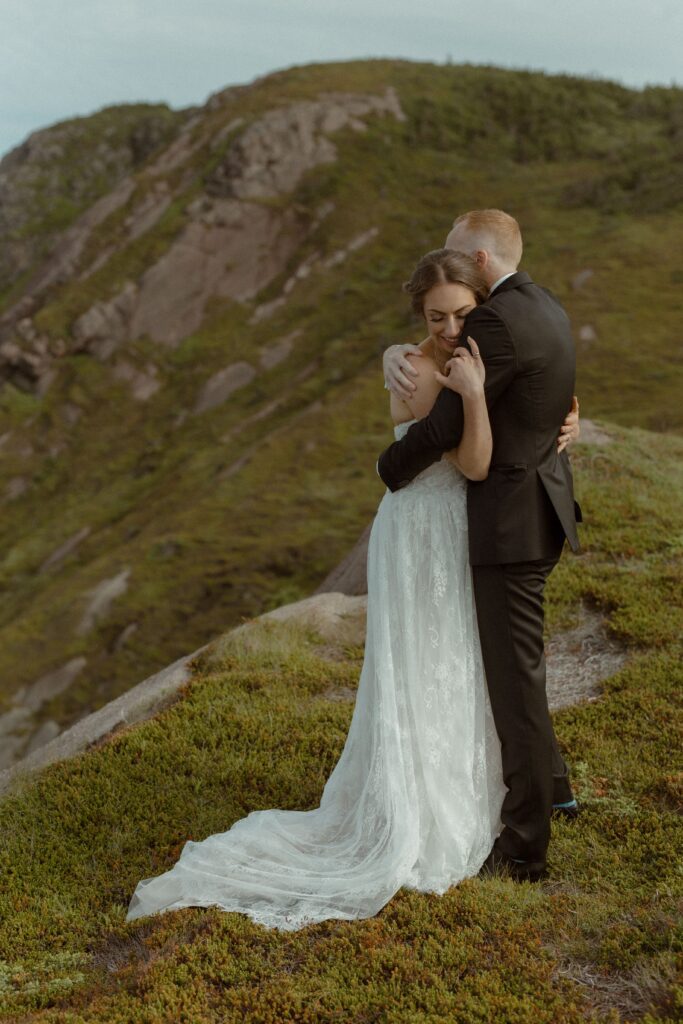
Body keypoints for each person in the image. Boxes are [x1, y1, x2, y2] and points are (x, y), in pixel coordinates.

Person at [125, 249, 520, 931]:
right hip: (422, 531)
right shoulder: (427, 373)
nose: (451, 327)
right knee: (425, 665)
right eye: (436, 317)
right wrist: (478, 395)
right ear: (418, 317)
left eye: (462, 313)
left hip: (441, 529)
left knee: (450, 660)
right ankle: (420, 808)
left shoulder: (455, 355)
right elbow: (477, 461)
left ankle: (456, 789)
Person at [379, 209, 583, 882]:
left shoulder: (495, 320)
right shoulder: (543, 303)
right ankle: (555, 788)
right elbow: (537, 393)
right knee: (518, 667)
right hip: (542, 509)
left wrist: (389, 469)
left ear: (480, 259)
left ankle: (525, 845)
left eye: (455, 256)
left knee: (512, 680)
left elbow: (443, 428)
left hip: (507, 522)